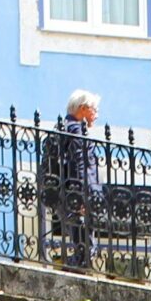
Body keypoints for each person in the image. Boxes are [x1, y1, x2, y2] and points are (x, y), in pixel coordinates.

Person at [39, 89, 103, 269]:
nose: (97, 115)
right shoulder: (77, 132)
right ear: (82, 109)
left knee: (81, 245)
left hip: (60, 195)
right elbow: (81, 165)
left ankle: (71, 268)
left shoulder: (59, 130)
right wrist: (84, 197)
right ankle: (73, 272)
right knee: (87, 249)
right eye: (95, 110)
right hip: (75, 196)